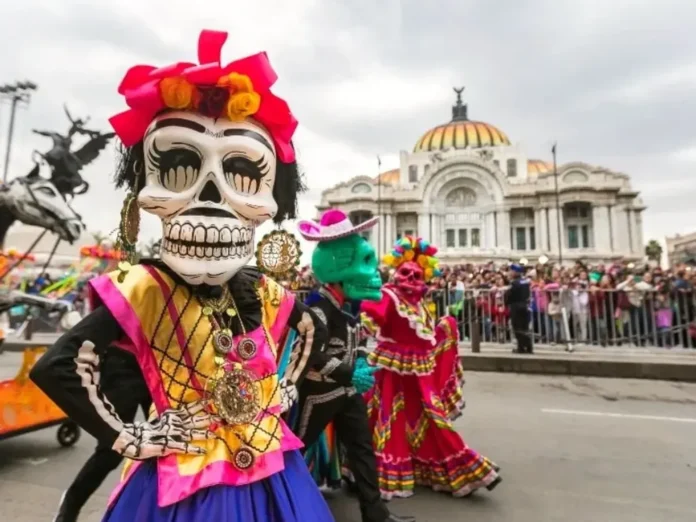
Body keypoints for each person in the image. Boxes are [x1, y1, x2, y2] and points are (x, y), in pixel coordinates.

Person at [31, 29, 335, 522]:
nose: (211, 201)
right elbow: (55, 366)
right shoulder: (147, 288)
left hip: (266, 460)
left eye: (241, 174)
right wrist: (131, 437)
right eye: (175, 165)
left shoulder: (264, 289)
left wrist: (282, 391)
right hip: (188, 475)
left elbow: (310, 332)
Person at [286, 209, 415, 522]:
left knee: (362, 451)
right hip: (317, 396)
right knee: (294, 453)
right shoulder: (318, 309)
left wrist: (360, 362)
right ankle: (280, 508)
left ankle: (376, 514)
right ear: (340, 267)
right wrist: (348, 373)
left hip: (346, 394)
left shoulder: (346, 307)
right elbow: (313, 355)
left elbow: (355, 338)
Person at [360, 236, 501, 499]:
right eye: (406, 272)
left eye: (418, 273)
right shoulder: (389, 295)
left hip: (419, 371)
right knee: (388, 416)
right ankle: (386, 469)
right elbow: (371, 319)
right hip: (391, 370)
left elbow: (425, 337)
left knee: (429, 418)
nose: (412, 277)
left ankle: (448, 467)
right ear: (396, 270)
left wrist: (445, 329)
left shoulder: (420, 304)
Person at [53, 349, 151, 522]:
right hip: (124, 363)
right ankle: (71, 503)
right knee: (111, 451)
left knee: (168, 445)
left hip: (165, 363)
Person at [506, 263, 533, 354]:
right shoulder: (525, 281)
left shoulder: (514, 283)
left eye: (512, 270)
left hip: (516, 306)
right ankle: (528, 346)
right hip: (524, 305)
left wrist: (507, 302)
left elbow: (510, 295)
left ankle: (521, 347)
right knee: (524, 327)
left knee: (517, 327)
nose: (510, 272)